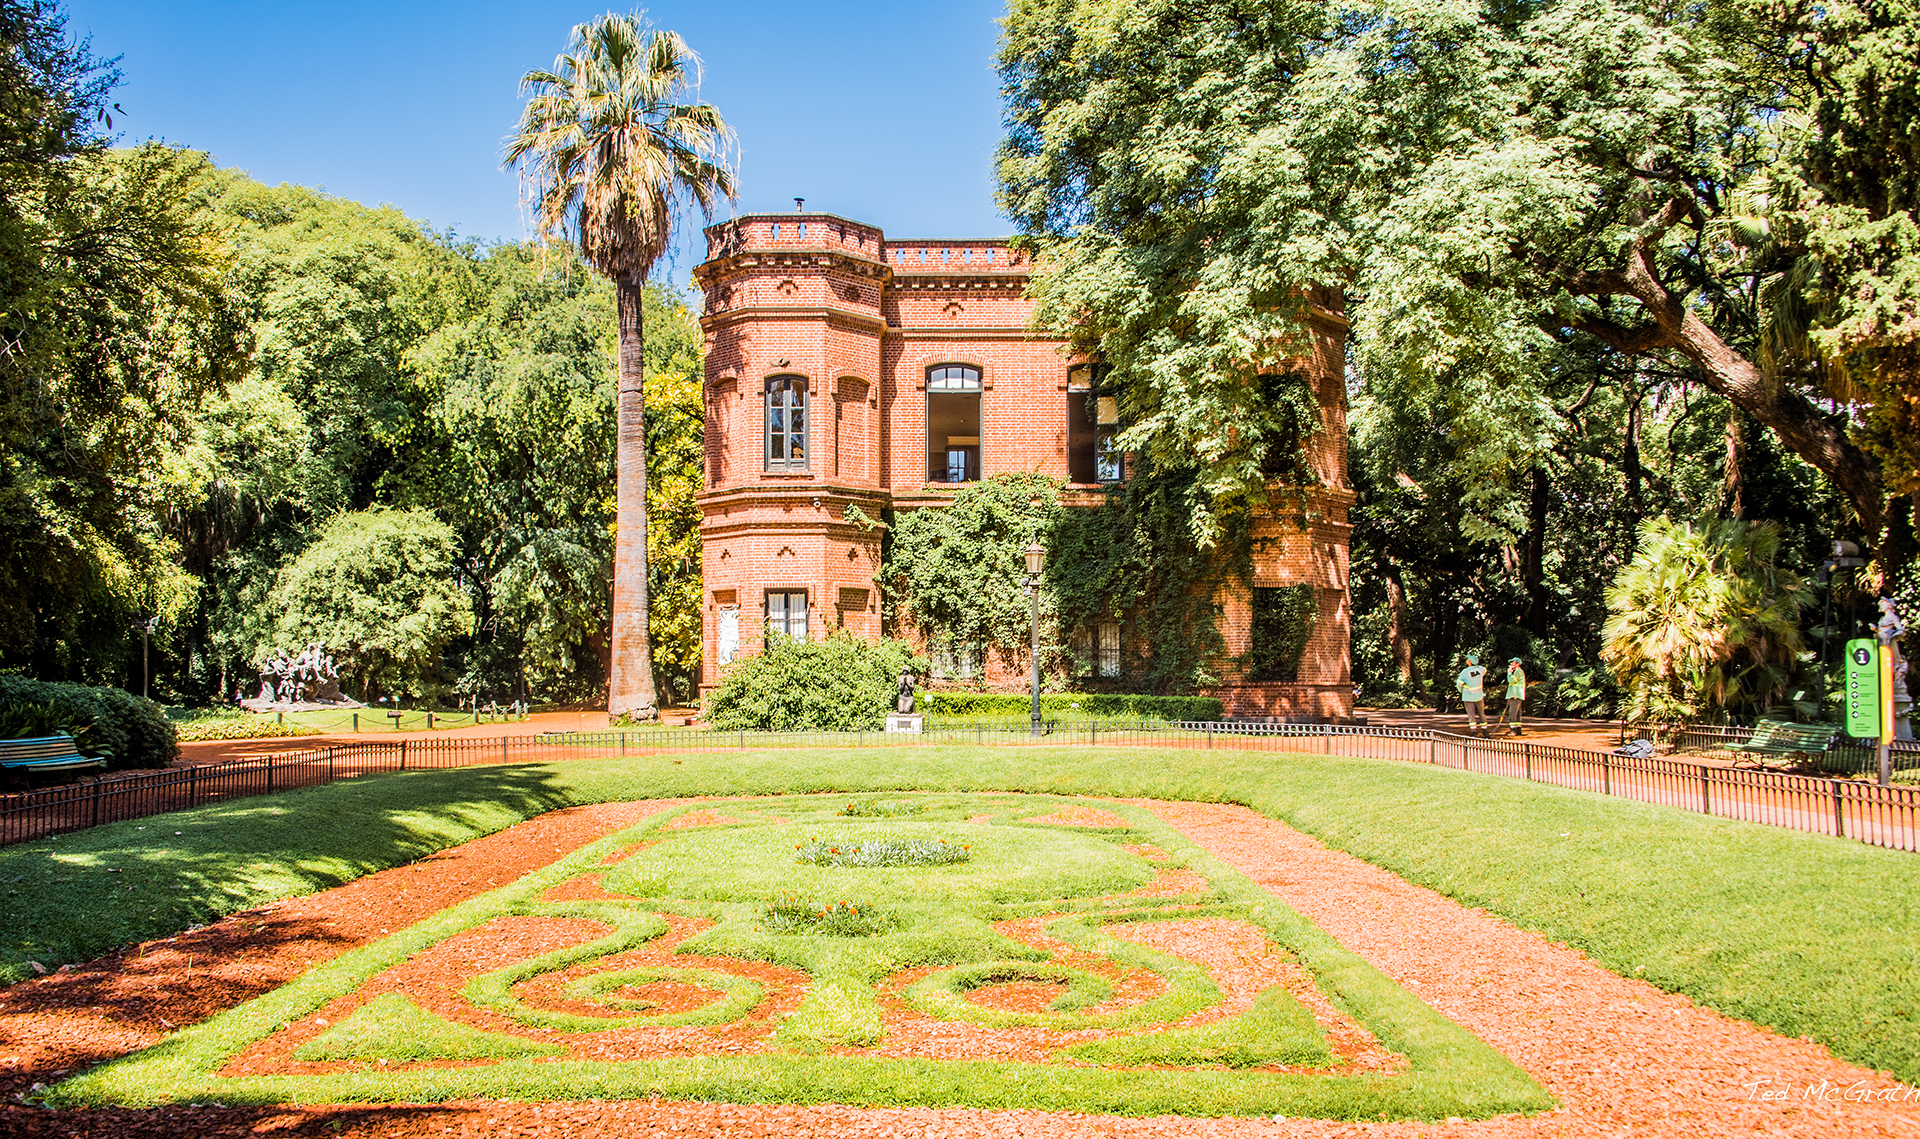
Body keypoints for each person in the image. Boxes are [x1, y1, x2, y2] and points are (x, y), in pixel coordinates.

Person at [1456, 653, 1488, 735]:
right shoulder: (1480, 669)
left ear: (1469, 661)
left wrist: (1462, 691)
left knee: (1471, 715)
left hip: (1468, 696)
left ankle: (1474, 732)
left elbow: (1459, 684)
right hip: (1479, 696)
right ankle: (1485, 731)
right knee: (1482, 713)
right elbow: (1485, 670)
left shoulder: (1465, 672)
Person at [1501, 657, 1527, 735]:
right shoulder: (1518, 671)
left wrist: (1509, 673)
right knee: (1517, 713)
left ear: (1518, 664)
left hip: (1515, 695)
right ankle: (1518, 730)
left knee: (1512, 712)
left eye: (1513, 662)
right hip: (1517, 695)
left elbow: (1511, 681)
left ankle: (1513, 730)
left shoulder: (1518, 672)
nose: (1511, 664)